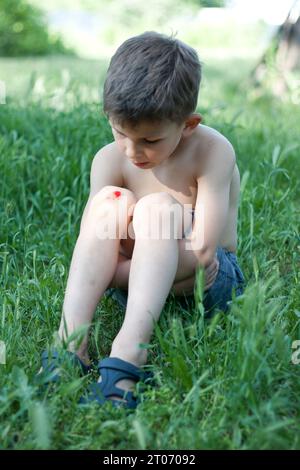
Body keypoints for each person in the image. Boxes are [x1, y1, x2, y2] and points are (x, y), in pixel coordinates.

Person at [40, 31, 245, 409]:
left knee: (157, 208)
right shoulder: (108, 159)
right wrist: (133, 270)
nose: (133, 151)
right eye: (120, 133)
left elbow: (204, 254)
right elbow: (94, 243)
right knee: (107, 203)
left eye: (150, 141)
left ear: (188, 124)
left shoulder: (212, 151)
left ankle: (128, 354)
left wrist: (116, 271)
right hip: (137, 278)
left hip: (205, 279)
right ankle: (71, 343)